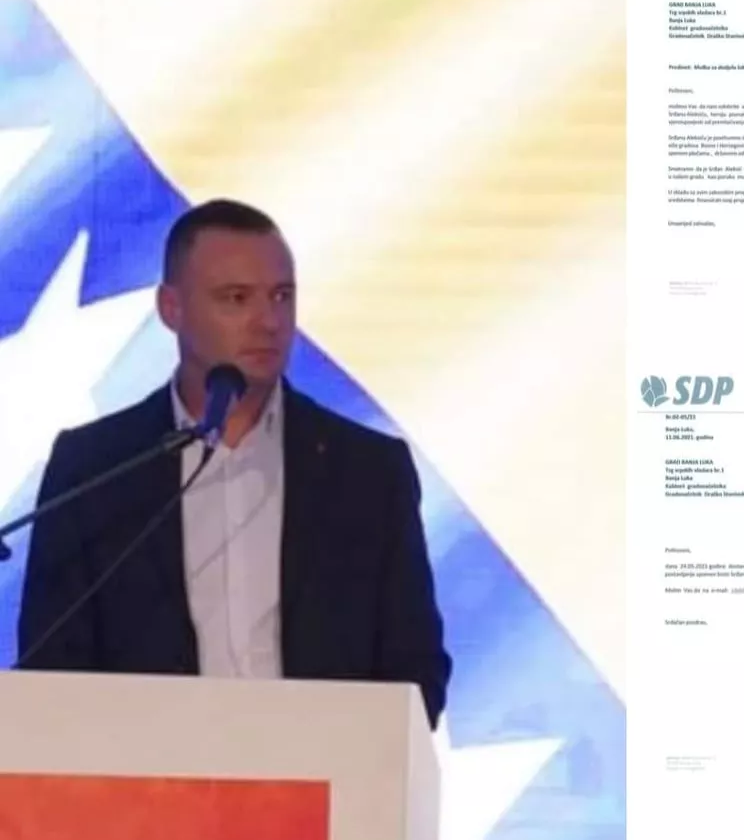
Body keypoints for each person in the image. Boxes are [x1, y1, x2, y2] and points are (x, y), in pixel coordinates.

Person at [17, 199, 451, 729]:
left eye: (282, 296)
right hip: (145, 774)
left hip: (317, 773)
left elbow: (415, 670)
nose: (269, 322)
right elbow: (52, 670)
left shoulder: (368, 472)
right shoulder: (94, 469)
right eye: (236, 298)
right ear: (171, 308)